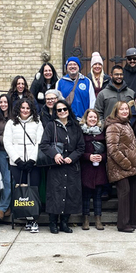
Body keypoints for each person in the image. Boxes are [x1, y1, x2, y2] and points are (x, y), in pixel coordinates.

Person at [39, 99, 85, 234]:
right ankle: (53, 222)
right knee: (55, 193)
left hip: (71, 165)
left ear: (68, 110)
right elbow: (44, 144)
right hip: (56, 165)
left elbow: (81, 146)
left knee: (70, 193)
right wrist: (55, 155)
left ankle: (64, 222)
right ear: (56, 112)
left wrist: (72, 157)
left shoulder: (75, 126)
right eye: (59, 110)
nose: (62, 112)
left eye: (64, 109)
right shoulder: (50, 126)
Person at [3, 98, 43, 232]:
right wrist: (18, 160)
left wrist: (32, 159)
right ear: (18, 109)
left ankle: (34, 219)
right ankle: (25, 217)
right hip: (17, 163)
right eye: (23, 108)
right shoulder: (10, 123)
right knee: (21, 191)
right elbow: (7, 143)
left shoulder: (37, 123)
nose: (25, 110)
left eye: (28, 108)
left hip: (33, 162)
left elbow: (39, 142)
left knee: (34, 190)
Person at [105, 101, 136, 232]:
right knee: (124, 194)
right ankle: (123, 224)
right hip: (120, 167)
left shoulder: (127, 124)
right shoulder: (113, 126)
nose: (125, 111)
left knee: (131, 194)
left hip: (131, 167)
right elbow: (112, 148)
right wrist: (126, 163)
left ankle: (131, 221)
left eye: (126, 109)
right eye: (122, 109)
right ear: (116, 111)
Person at [80, 109, 107, 230]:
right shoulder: (81, 133)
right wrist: (88, 156)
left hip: (99, 169)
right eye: (90, 117)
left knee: (98, 196)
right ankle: (85, 219)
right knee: (86, 196)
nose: (92, 119)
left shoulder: (102, 133)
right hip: (86, 168)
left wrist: (102, 157)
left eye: (95, 117)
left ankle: (98, 220)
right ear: (86, 118)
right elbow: (78, 151)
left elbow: (108, 151)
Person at [0, 94, 13, 220]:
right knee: (5, 180)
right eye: (1, 102)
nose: (3, 104)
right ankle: (6, 207)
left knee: (10, 180)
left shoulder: (14, 117)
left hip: (13, 152)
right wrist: (6, 140)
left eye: (5, 102)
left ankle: (3, 207)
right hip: (0, 151)